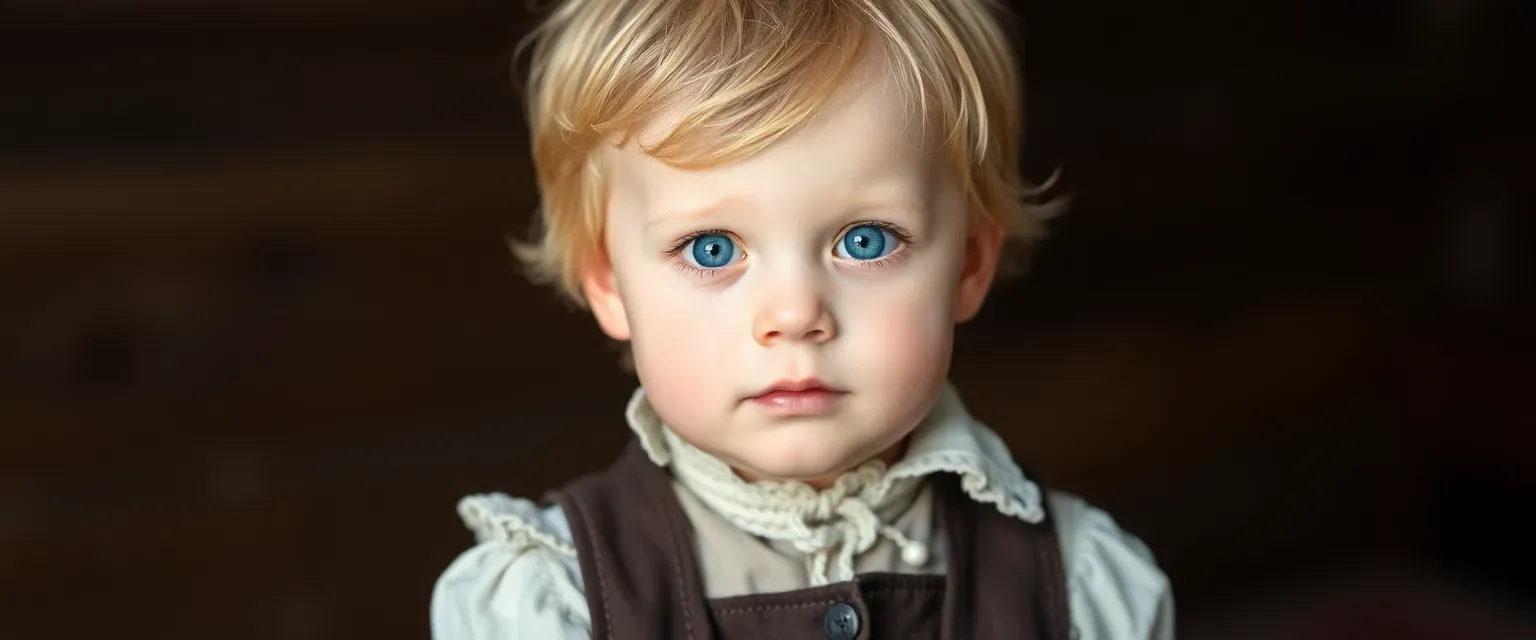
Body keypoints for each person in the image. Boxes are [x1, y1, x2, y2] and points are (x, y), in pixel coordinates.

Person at [432, 1, 1173, 637]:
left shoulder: (1081, 590)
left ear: (970, 266)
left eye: (865, 241)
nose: (795, 315)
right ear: (610, 283)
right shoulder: (550, 602)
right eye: (712, 247)